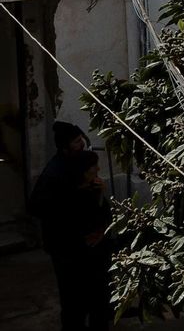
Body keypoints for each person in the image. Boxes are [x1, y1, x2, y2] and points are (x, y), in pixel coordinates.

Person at [29, 123, 114, 331]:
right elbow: (40, 207)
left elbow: (101, 211)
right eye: (76, 142)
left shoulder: (81, 168)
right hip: (66, 248)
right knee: (73, 300)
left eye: (81, 139)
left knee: (95, 298)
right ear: (65, 147)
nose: (82, 144)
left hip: (87, 249)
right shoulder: (55, 173)